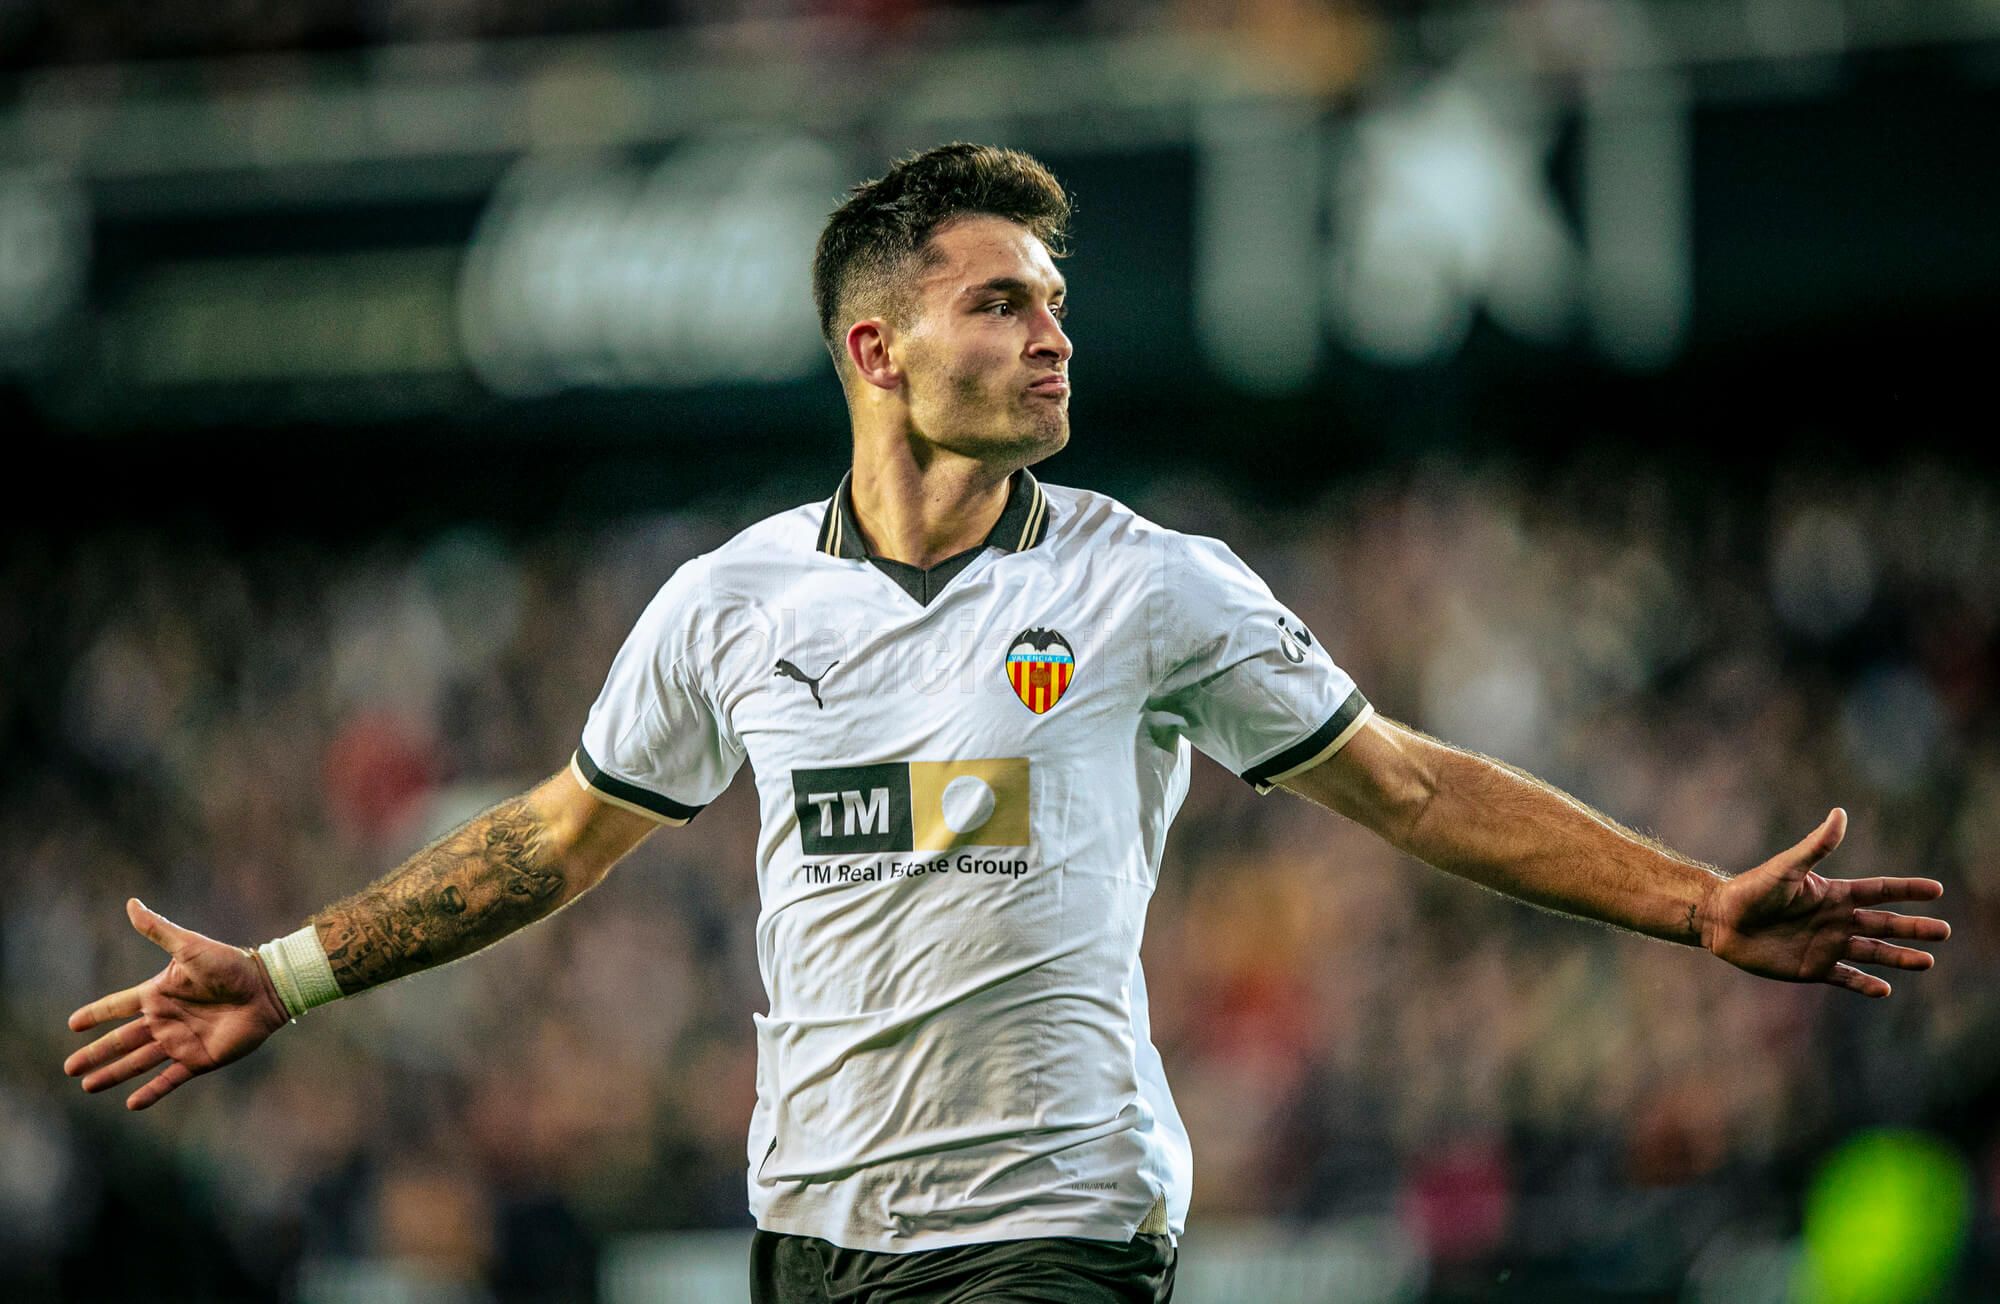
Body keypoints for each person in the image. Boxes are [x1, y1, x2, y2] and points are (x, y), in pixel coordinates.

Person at [64, 144, 1951, 1304]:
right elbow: (555, 837)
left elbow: (1408, 780)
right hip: (813, 1233)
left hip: (1057, 1219)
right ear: (876, 352)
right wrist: (291, 975)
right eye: (1000, 303)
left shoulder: (1150, 584)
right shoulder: (729, 603)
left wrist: (1692, 901)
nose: (1054, 335)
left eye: (1057, 303)